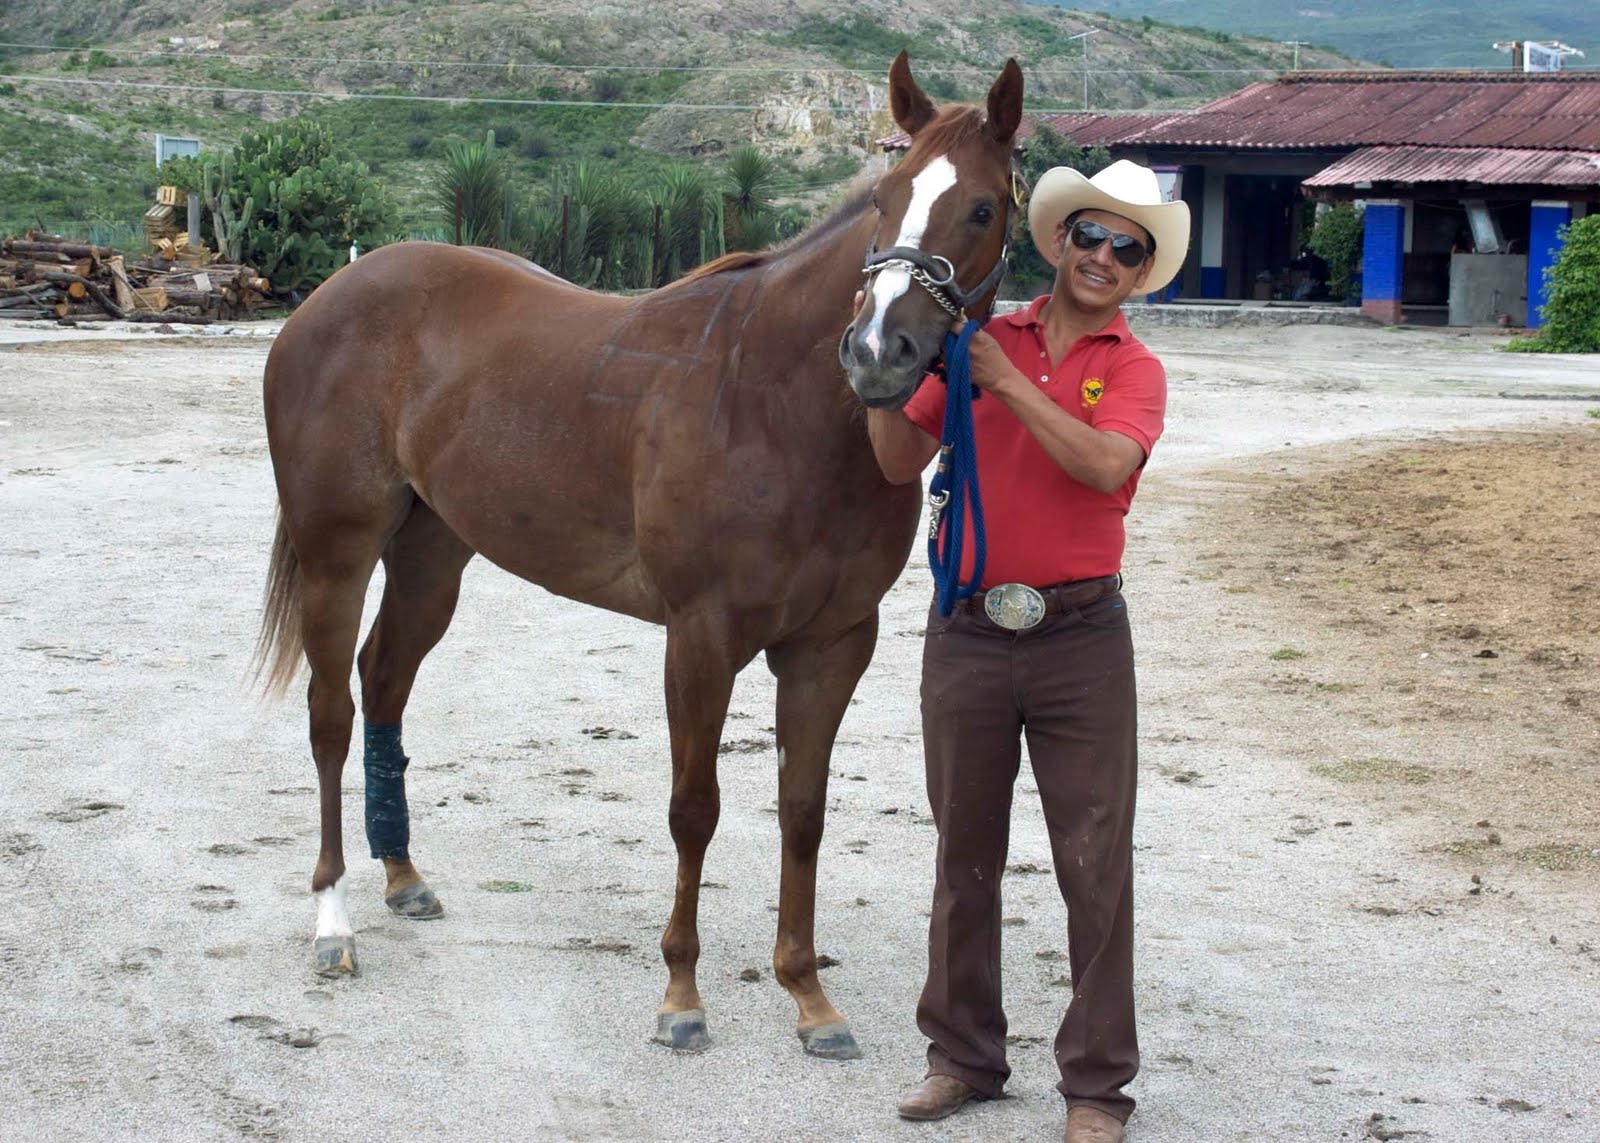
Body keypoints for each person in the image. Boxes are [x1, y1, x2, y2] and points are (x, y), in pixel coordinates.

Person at [866, 159, 1191, 1143]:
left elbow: (1104, 465)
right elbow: (895, 459)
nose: (1103, 256)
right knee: (962, 853)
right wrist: (883, 364)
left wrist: (1003, 384)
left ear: (1141, 272)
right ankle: (962, 1057)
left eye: (1127, 248)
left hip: (1080, 639)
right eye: (1090, 235)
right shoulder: (979, 341)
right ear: (1059, 241)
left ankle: (1096, 1087)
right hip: (968, 629)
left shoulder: (1131, 369)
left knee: (1093, 863)